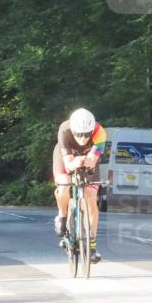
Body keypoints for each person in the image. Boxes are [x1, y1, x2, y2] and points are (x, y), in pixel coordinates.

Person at [53, 108, 107, 263]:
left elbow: (92, 160)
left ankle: (92, 245)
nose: (83, 138)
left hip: (88, 156)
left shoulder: (100, 133)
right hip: (66, 155)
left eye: (86, 134)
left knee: (91, 196)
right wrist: (75, 162)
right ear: (73, 130)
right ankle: (62, 216)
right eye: (79, 134)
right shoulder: (64, 130)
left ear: (92, 130)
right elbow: (69, 164)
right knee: (64, 184)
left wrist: (86, 161)